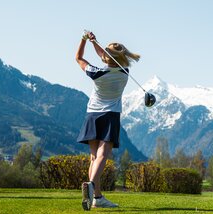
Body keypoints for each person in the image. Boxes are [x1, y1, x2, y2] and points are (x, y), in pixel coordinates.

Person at [75, 31, 140, 211]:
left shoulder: (96, 73)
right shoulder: (124, 72)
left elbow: (78, 58)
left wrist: (84, 40)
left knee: (94, 157)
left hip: (92, 114)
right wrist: (96, 43)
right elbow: (106, 57)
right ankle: (91, 187)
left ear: (106, 56)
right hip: (111, 115)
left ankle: (97, 197)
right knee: (103, 156)